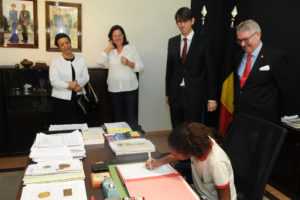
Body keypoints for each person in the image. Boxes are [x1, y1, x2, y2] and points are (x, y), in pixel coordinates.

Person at [146, 122, 237, 200]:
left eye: (175, 154)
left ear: (189, 153)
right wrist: (159, 162)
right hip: (200, 192)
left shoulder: (216, 163)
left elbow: (226, 198)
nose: (173, 155)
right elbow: (178, 156)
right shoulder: (198, 142)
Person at [165, 7, 218, 129]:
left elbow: (211, 71)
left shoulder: (204, 41)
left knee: (192, 132)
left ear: (192, 21)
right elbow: (169, 69)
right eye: (179, 22)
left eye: (185, 21)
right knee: (177, 131)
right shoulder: (172, 42)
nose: (182, 25)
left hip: (194, 95)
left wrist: (212, 98)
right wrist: (168, 93)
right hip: (175, 94)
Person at [233, 19, 295, 123]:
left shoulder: (275, 57)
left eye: (246, 39)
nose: (243, 44)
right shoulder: (238, 55)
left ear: (257, 35)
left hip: (263, 121)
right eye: (240, 40)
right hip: (240, 118)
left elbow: (287, 90)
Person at [97, 25, 144, 130]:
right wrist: (109, 47)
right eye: (115, 36)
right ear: (111, 38)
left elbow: (140, 67)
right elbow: (99, 61)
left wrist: (128, 62)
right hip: (114, 90)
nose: (118, 38)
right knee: (117, 118)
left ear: (123, 35)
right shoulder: (110, 52)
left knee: (131, 118)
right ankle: (119, 143)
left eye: (120, 35)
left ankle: (132, 143)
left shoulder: (131, 48)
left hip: (130, 89)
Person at [49, 33, 89, 124]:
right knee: (63, 126)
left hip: (78, 98)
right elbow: (54, 81)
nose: (66, 46)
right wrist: (69, 85)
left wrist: (77, 83)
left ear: (70, 43)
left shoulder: (81, 59)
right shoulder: (55, 61)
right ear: (59, 48)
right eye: (62, 44)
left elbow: (86, 76)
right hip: (61, 100)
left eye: (67, 43)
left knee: (79, 125)